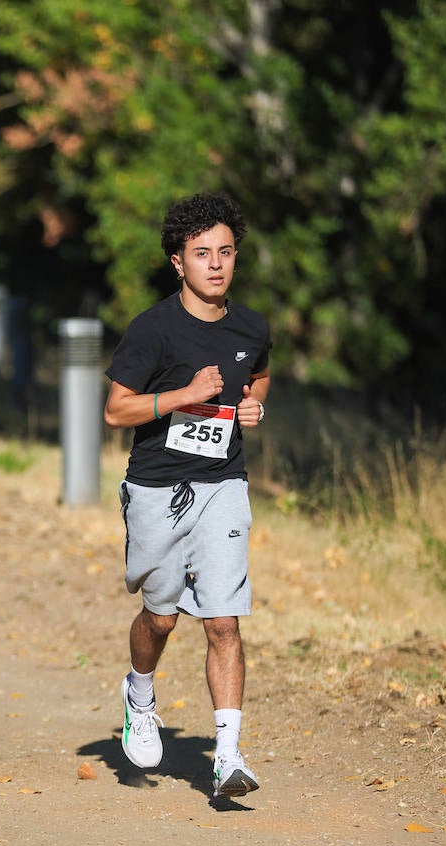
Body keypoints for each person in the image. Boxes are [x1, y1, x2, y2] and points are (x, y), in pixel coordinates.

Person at [102, 191, 271, 799]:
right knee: (163, 616)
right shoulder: (152, 330)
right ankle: (139, 692)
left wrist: (252, 405)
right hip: (156, 486)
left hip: (223, 483)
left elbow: (258, 373)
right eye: (202, 254)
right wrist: (184, 394)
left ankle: (227, 756)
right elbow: (116, 410)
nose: (216, 264)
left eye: (225, 252)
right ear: (179, 262)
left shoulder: (251, 327)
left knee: (223, 620)